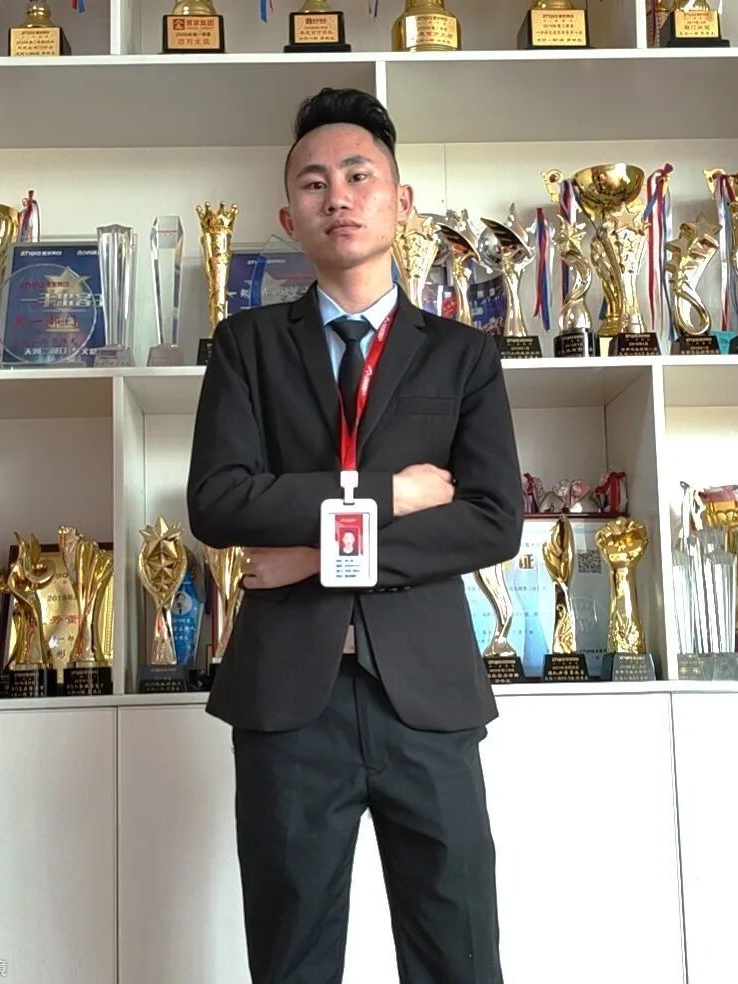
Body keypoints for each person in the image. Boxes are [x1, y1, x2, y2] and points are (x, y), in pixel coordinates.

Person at [187, 87, 523, 984]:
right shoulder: (245, 346)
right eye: (313, 182)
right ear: (287, 217)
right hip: (287, 701)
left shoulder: (463, 355)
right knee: (291, 962)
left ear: (400, 200)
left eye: (358, 175)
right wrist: (389, 495)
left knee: (459, 957)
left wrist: (320, 552)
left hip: (427, 697)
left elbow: (493, 518)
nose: (337, 196)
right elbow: (219, 501)